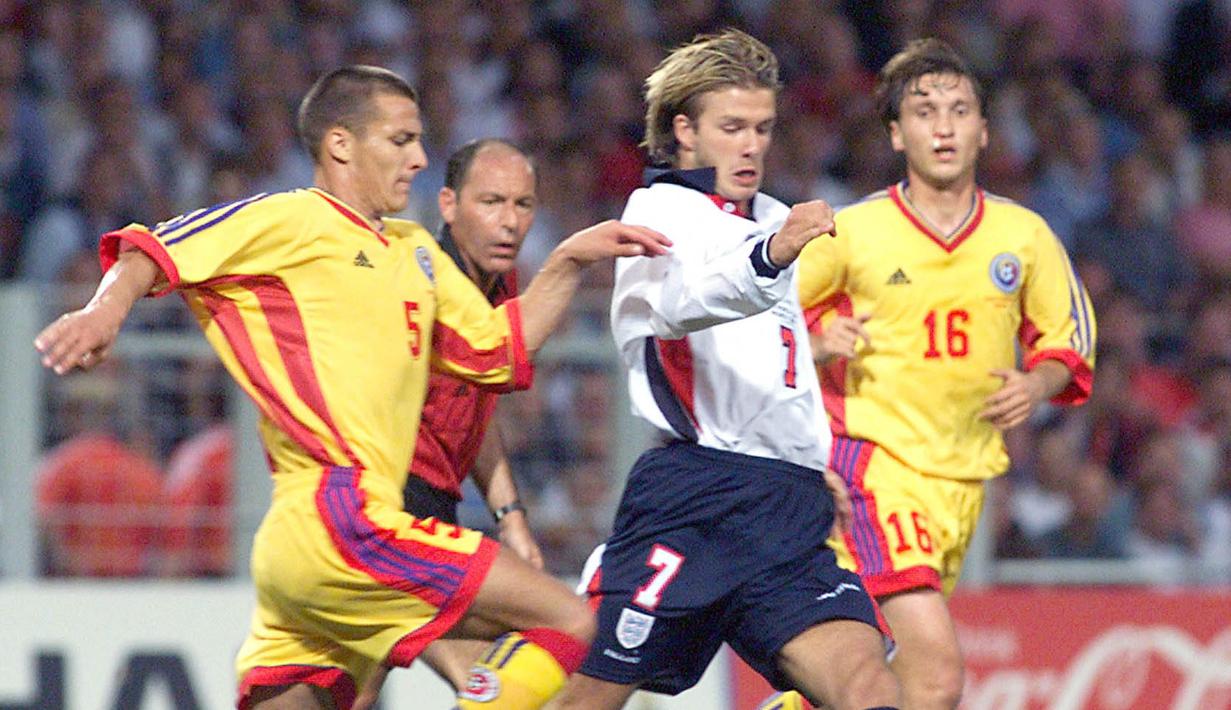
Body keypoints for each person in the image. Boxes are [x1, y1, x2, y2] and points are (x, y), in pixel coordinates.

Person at [34, 65, 670, 710]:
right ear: (341, 144)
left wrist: (568, 261)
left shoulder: (415, 249)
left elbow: (498, 353)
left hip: (308, 546)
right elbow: (155, 247)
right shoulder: (293, 219)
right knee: (569, 622)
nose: (420, 159)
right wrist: (103, 311)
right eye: (400, 140)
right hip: (343, 519)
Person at [551, 30, 901, 710]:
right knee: (589, 697)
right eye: (731, 127)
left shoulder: (767, 217)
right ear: (684, 130)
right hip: (695, 496)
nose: (751, 145)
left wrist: (806, 453)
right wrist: (771, 254)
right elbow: (682, 305)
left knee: (867, 685)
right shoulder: (657, 212)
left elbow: (761, 356)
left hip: (787, 505)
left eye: (763, 128)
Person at [790, 39, 1096, 710]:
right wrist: (814, 337)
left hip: (962, 485)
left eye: (960, 110)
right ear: (897, 133)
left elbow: (1069, 341)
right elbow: (761, 315)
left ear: (984, 130)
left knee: (872, 683)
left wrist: (1035, 384)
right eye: (925, 111)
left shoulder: (1022, 236)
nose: (944, 125)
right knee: (936, 677)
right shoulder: (852, 231)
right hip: (872, 467)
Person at [352, 138, 546, 708]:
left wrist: (510, 517)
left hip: (436, 502)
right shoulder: (416, 287)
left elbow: (478, 411)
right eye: (491, 202)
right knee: (542, 630)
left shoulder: (497, 284)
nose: (509, 222)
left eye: (523, 205)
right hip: (387, 500)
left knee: (357, 688)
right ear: (448, 204)